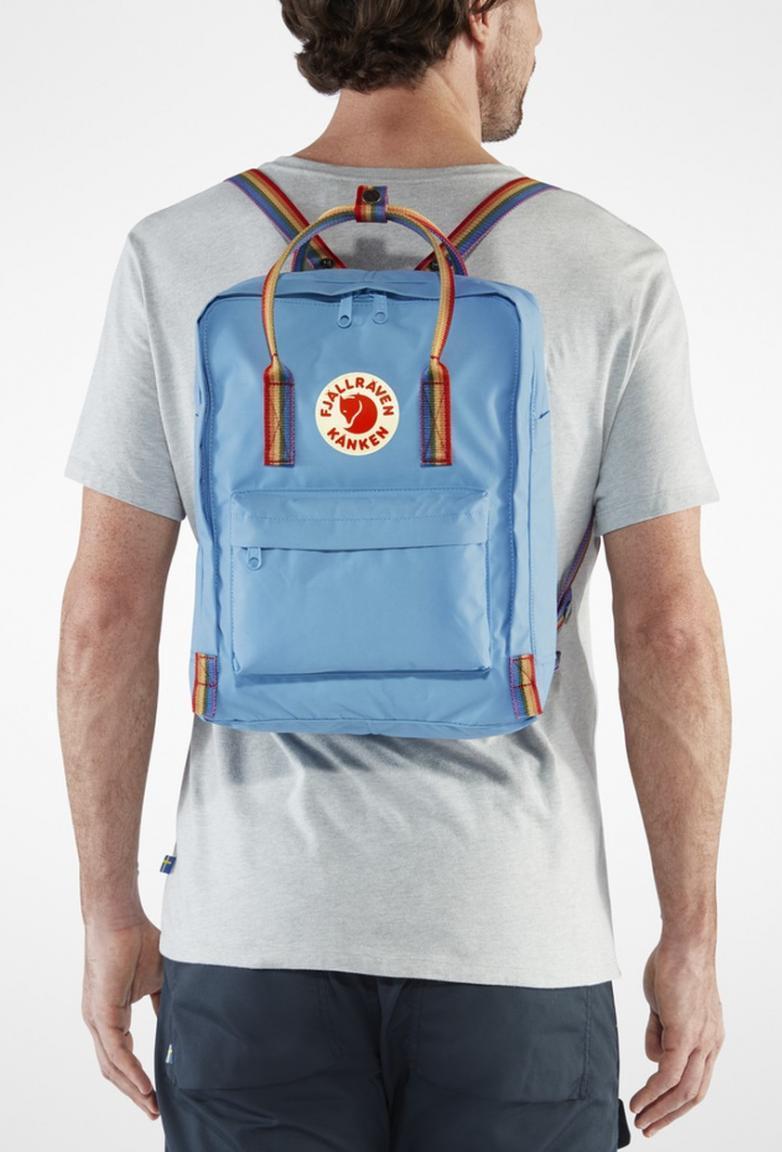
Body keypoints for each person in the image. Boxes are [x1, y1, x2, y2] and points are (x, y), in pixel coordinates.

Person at [57, 1, 729, 1149]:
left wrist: (108, 908)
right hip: (515, 938)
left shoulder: (176, 253)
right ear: (477, 11)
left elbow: (104, 616)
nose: (539, 31)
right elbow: (667, 628)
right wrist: (691, 935)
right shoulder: (607, 266)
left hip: (250, 932)